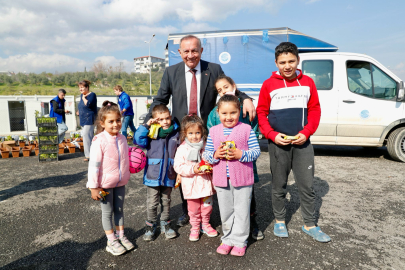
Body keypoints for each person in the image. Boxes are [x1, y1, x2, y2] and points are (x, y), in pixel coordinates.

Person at [145, 34, 256, 227]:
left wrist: (245, 98)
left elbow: (229, 88)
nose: (190, 55)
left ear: (201, 51)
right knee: (187, 170)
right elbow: (160, 99)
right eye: (186, 51)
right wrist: (148, 121)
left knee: (218, 170)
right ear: (179, 52)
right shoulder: (171, 72)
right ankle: (191, 210)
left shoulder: (213, 69)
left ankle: (234, 214)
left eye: (194, 50)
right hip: (184, 132)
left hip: (208, 131)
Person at [256, 42, 331, 242]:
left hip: (303, 143)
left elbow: (315, 110)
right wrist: (272, 135)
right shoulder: (268, 84)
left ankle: (310, 224)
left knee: (307, 186)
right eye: (282, 62)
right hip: (278, 144)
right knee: (279, 184)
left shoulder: (308, 82)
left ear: (298, 61)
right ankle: (280, 221)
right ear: (276, 63)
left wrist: (306, 132)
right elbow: (261, 113)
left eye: (291, 61)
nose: (287, 66)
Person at [207, 75, 264, 241]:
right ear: (219, 113)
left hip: (244, 168)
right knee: (227, 205)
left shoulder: (246, 107)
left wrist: (242, 154)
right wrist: (215, 153)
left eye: (226, 86)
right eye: (220, 90)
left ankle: (248, 227)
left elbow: (254, 137)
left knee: (245, 201)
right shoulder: (214, 117)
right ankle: (229, 235)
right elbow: (210, 144)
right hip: (222, 172)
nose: (224, 91)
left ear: (234, 85)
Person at [86, 100, 134, 256]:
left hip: (120, 182)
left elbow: (125, 158)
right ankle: (111, 240)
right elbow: (94, 166)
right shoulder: (98, 141)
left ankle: (121, 236)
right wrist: (93, 186)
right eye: (111, 121)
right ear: (103, 123)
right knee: (107, 212)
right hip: (104, 185)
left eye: (118, 120)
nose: (115, 124)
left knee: (119, 210)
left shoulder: (122, 138)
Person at [134, 104, 179, 241]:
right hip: (153, 174)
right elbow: (137, 140)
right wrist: (146, 126)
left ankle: (165, 223)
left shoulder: (176, 133)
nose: (164, 122)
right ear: (154, 120)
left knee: (166, 201)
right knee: (152, 202)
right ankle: (150, 225)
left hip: (169, 173)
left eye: (167, 118)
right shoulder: (150, 133)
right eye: (160, 119)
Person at [173, 114, 217, 242]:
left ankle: (206, 224)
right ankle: (195, 226)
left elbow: (213, 159)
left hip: (205, 183)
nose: (194, 136)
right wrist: (193, 169)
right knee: (193, 209)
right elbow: (178, 166)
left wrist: (210, 166)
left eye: (197, 132)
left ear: (202, 131)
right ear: (185, 133)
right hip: (190, 185)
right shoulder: (182, 149)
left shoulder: (206, 146)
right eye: (191, 133)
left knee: (207, 207)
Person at [76, 80, 97, 162]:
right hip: (83, 118)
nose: (80, 89)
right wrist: (78, 111)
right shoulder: (82, 95)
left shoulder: (92, 95)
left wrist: (84, 98)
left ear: (87, 87)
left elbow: (88, 104)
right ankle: (94, 153)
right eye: (79, 88)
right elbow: (81, 106)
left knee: (85, 135)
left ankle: (88, 155)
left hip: (89, 118)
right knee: (90, 137)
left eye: (82, 87)